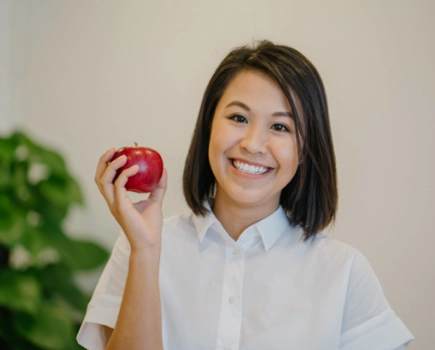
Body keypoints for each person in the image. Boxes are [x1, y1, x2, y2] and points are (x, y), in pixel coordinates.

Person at [77, 41, 414, 350]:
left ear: (305, 150)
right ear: (209, 125)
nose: (253, 143)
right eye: (238, 117)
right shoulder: (139, 248)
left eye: (280, 126)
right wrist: (147, 251)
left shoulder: (344, 272)